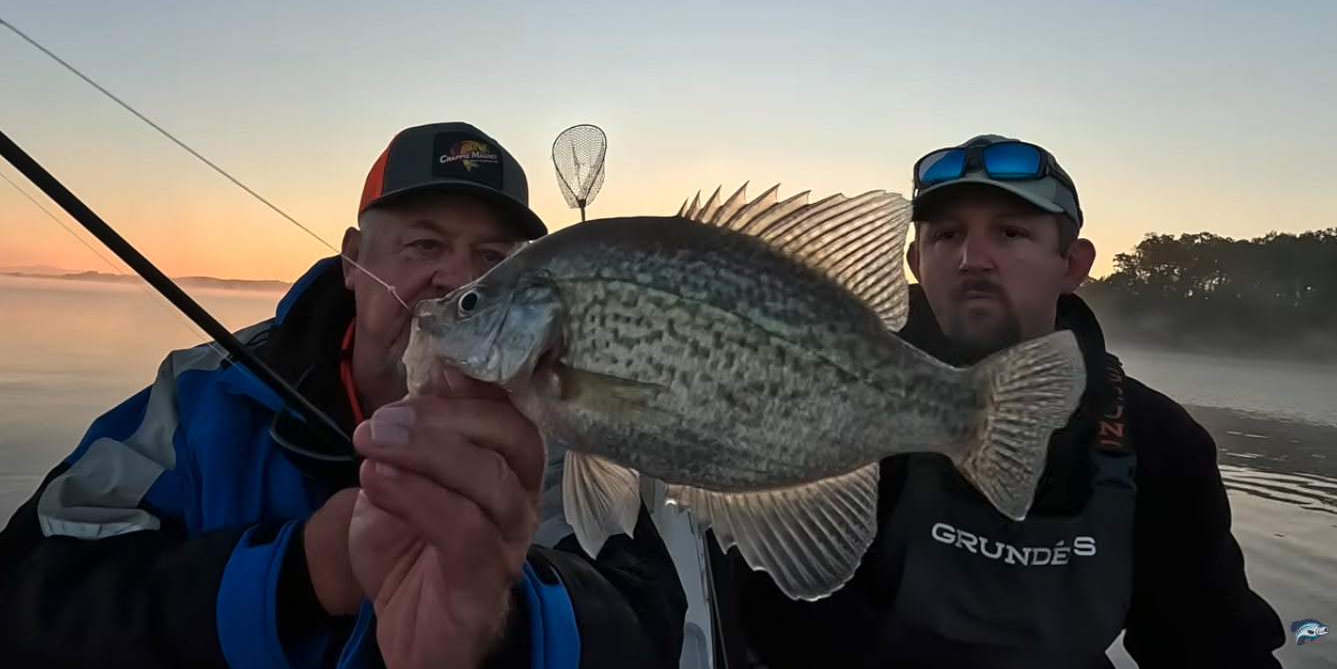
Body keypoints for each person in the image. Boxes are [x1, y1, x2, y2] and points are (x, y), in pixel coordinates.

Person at [0, 122, 688, 669]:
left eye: (493, 260)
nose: (454, 280)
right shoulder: (201, 394)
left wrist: (498, 628)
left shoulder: (564, 423)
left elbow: (644, 620)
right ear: (354, 259)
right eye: (424, 243)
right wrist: (304, 571)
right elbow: (28, 589)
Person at [711, 134, 1287, 668]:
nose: (972, 259)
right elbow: (782, 614)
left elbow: (1212, 644)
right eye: (945, 235)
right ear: (915, 264)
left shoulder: (1159, 438)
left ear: (1073, 266)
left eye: (1010, 233)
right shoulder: (823, 396)